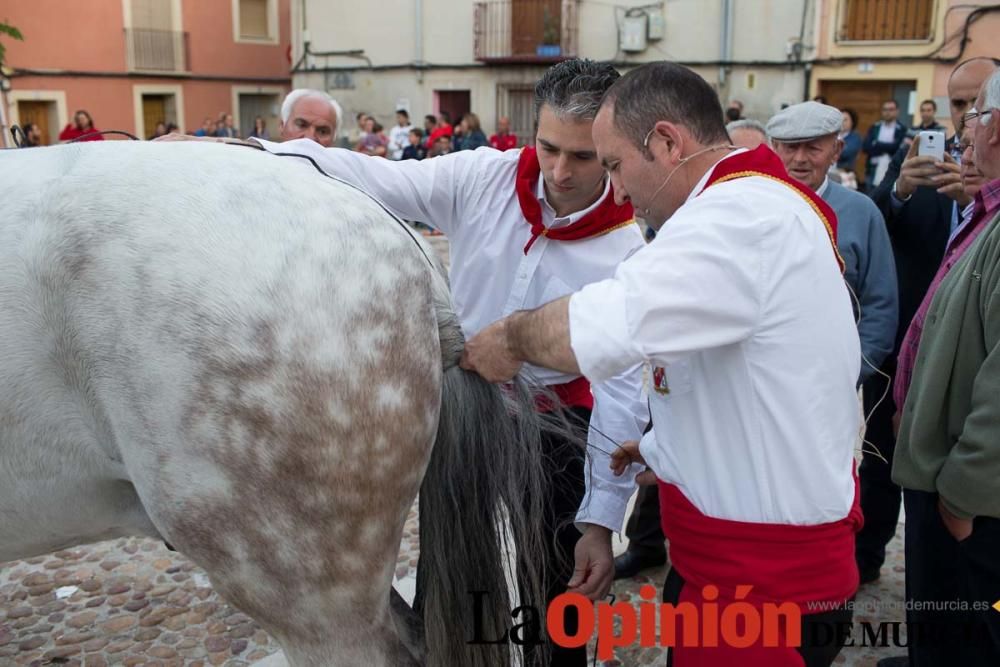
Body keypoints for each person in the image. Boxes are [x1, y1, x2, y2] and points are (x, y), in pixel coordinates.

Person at [249, 58, 648, 666]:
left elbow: (623, 389)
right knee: (448, 559)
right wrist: (242, 153)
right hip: (464, 410)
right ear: (532, 130)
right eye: (548, 148)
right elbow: (369, 176)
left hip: (559, 429)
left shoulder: (628, 249)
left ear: (612, 148)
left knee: (556, 582)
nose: (560, 172)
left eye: (584, 157)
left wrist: (602, 518)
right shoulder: (481, 177)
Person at [462, 61, 861, 667]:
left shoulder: (738, 219)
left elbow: (610, 322)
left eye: (617, 166)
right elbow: (745, 374)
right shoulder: (749, 206)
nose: (617, 192)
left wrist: (511, 338)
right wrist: (669, 448)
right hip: (730, 560)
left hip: (761, 585)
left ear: (667, 143)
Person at [860, 57, 999, 590]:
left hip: (963, 377)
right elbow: (881, 228)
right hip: (905, 353)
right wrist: (899, 190)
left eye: (974, 107)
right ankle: (869, 558)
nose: (964, 120)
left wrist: (977, 204)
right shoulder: (925, 152)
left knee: (956, 552)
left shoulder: (985, 180)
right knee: (882, 463)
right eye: (957, 105)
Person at [891, 68, 1000, 667]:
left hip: (968, 486)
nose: (963, 131)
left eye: (975, 114)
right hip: (940, 461)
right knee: (939, 610)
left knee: (975, 623)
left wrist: (962, 497)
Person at [768, 101, 898, 386]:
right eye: (790, 147)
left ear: (836, 151)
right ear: (774, 148)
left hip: (832, 383)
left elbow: (880, 304)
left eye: (813, 148)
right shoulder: (752, 205)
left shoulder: (861, 213)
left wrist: (851, 371)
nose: (800, 159)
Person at [862, 99, 906, 189]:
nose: (887, 112)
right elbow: (866, 147)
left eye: (891, 109)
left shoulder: (901, 129)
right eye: (885, 110)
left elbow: (896, 148)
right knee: (869, 196)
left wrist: (876, 144)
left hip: (891, 169)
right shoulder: (875, 127)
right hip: (873, 168)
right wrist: (888, 147)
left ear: (897, 111)